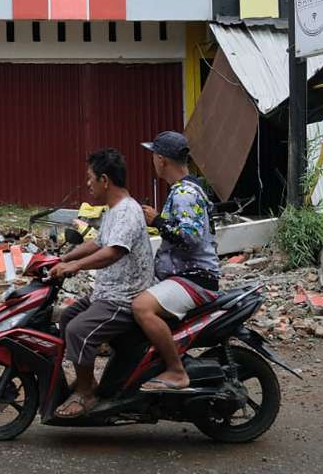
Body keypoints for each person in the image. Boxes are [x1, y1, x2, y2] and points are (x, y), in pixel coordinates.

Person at [48, 148, 154, 418]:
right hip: (106, 292)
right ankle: (89, 380)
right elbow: (97, 242)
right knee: (67, 317)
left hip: (123, 298)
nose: (87, 184)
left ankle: (86, 394)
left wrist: (74, 266)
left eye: (90, 178)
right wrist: (62, 258)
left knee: (77, 330)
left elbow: (113, 251)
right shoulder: (112, 211)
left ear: (105, 180)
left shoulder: (128, 212)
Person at [133, 131, 221, 391]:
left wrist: (157, 221)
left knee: (141, 307)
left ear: (162, 160)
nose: (152, 161)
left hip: (194, 279)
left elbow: (190, 238)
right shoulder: (185, 189)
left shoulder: (184, 193)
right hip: (183, 277)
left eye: (153, 156)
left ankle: (176, 370)